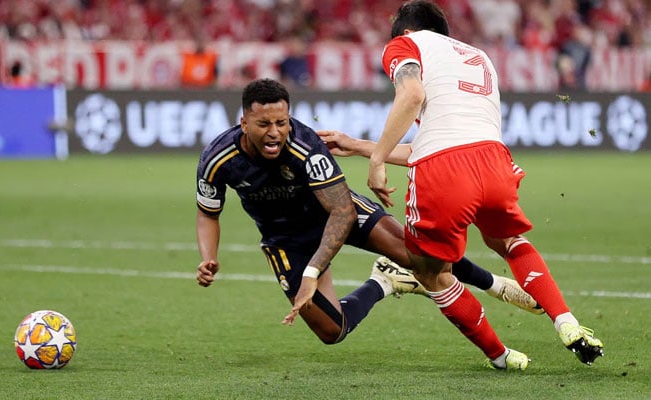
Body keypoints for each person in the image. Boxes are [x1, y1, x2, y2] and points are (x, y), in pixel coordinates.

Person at [196, 78, 540, 348]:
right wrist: (208, 257)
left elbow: (342, 212)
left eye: (281, 122)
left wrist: (314, 271)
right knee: (332, 331)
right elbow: (208, 213)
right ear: (244, 123)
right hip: (286, 240)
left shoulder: (305, 147)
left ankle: (496, 286)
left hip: (338, 212)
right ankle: (384, 280)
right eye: (264, 124)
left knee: (422, 255)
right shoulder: (217, 160)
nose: (274, 133)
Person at [354, 0, 602, 368]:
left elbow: (412, 96)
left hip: (444, 169)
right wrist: (361, 146)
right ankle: (567, 321)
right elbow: (444, 139)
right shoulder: (478, 56)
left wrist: (376, 160)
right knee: (508, 241)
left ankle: (502, 357)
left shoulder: (405, 43)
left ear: (406, 31)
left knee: (430, 271)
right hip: (495, 161)